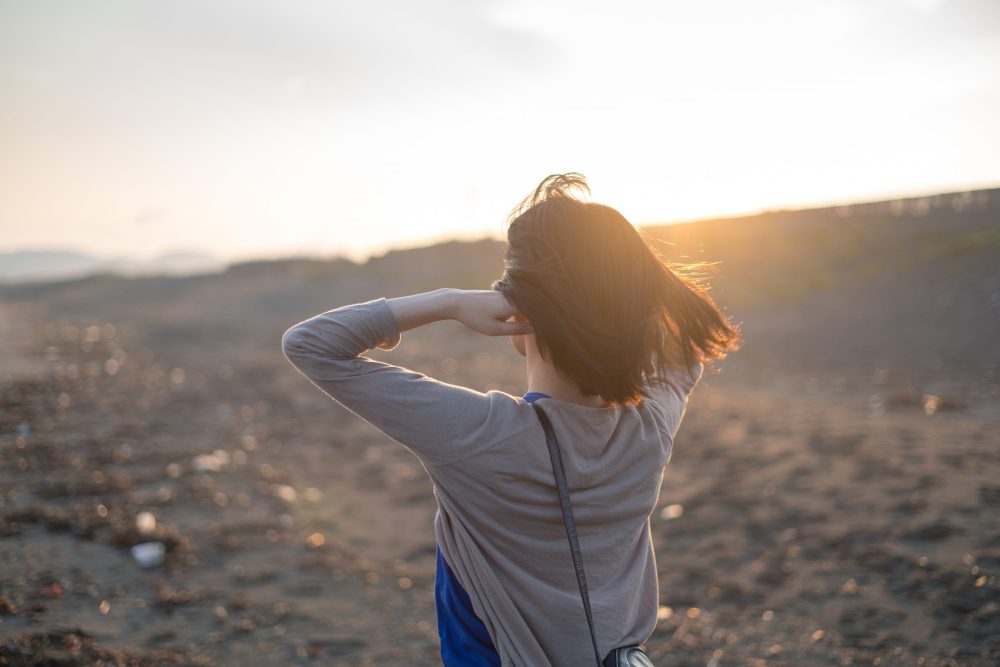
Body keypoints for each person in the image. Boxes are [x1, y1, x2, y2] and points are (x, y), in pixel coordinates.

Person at [281, 173, 742, 666]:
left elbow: (310, 344)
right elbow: (686, 352)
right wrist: (624, 285)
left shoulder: (477, 433)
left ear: (519, 305)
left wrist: (449, 301)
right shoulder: (651, 426)